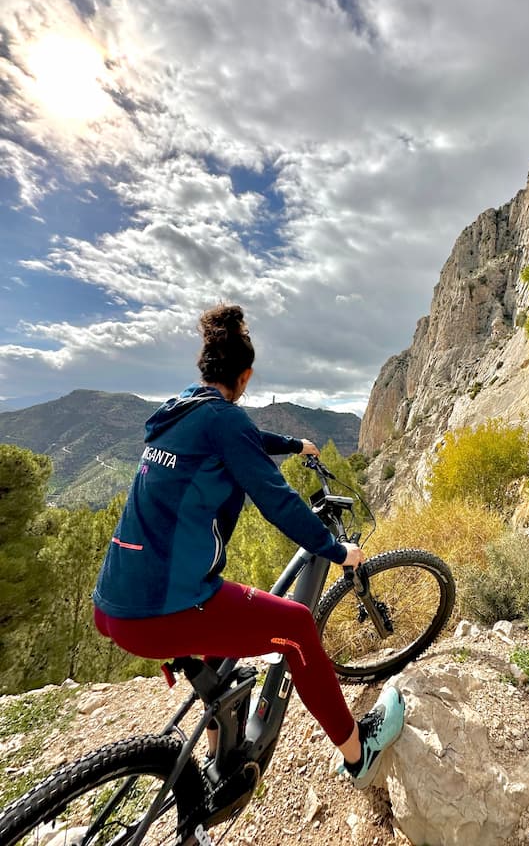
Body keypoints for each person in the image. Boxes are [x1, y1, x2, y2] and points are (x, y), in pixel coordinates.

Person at [93, 303, 404, 788]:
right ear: (246, 375)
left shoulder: (182, 411)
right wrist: (337, 549)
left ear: (205, 367)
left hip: (112, 602)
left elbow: (245, 438)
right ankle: (356, 753)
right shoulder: (223, 420)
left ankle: (220, 759)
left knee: (221, 646)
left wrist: (293, 444)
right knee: (298, 625)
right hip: (161, 608)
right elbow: (277, 502)